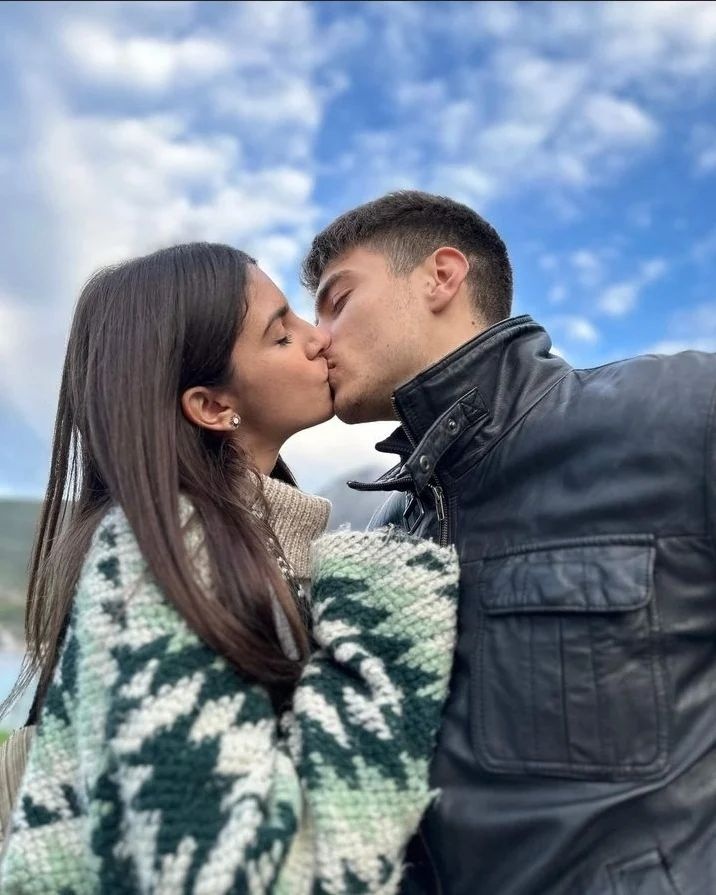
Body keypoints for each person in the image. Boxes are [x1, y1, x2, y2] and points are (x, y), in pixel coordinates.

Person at [0, 242, 459, 894]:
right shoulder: (165, 557)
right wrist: (388, 620)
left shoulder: (253, 544)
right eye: (281, 334)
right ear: (212, 407)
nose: (319, 338)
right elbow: (224, 871)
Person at [304, 190, 716, 895]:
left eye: (336, 302)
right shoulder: (384, 529)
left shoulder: (679, 413)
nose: (317, 339)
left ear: (440, 276)